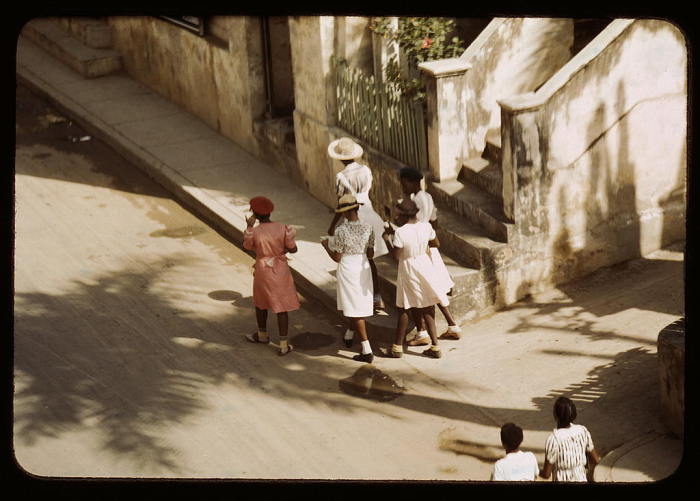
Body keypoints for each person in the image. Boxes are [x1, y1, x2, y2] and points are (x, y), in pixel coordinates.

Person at [398, 167, 462, 345]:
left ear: (411, 182)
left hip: (420, 249)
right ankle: (452, 325)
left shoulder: (415, 201)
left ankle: (422, 332)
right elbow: (435, 222)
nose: (402, 187)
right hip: (429, 244)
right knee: (436, 288)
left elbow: (412, 225)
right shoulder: (428, 197)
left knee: (419, 291)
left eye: (403, 183)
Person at [327, 137, 388, 313]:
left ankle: (367, 298)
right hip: (370, 213)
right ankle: (376, 297)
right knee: (368, 259)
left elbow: (342, 204)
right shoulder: (366, 170)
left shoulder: (341, 177)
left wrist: (332, 227)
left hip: (355, 217)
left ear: (339, 158)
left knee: (356, 259)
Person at [380, 198, 445, 359]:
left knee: (404, 307)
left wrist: (387, 239)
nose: (396, 218)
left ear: (403, 215)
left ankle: (397, 347)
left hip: (409, 268)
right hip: (425, 264)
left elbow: (396, 256)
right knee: (428, 305)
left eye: (398, 215)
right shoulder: (426, 226)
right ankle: (435, 346)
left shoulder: (401, 232)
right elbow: (436, 243)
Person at [321, 194, 376, 363]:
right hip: (363, 266)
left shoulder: (341, 230)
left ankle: (367, 349)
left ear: (345, 213)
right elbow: (371, 253)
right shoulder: (368, 227)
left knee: (354, 306)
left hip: (348, 267)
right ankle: (349, 333)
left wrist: (325, 246)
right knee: (357, 303)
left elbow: (337, 257)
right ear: (357, 208)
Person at [243, 196, 299, 356]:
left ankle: (262, 335)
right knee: (282, 308)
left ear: (254, 213)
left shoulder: (254, 231)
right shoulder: (283, 228)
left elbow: (247, 246)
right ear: (269, 212)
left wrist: (248, 227)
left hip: (262, 270)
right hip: (280, 269)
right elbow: (293, 249)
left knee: (261, 303)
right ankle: (283, 345)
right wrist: (287, 244)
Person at [540, 396, 601, 482]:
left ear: (555, 415)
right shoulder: (582, 431)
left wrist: (537, 471)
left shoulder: (553, 439)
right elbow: (595, 460)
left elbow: (546, 474)